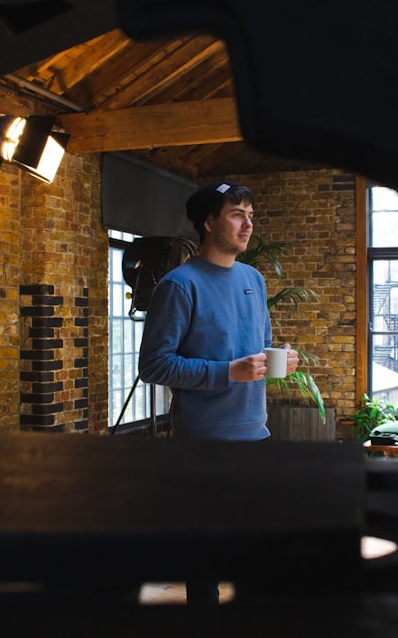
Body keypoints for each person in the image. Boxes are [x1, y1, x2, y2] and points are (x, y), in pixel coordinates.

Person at [137, 180, 298, 605]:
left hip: (256, 436)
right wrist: (229, 371)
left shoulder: (254, 279)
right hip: (203, 444)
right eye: (236, 214)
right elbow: (154, 365)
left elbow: (256, 349)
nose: (247, 225)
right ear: (209, 223)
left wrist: (277, 358)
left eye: (250, 215)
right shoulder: (178, 285)